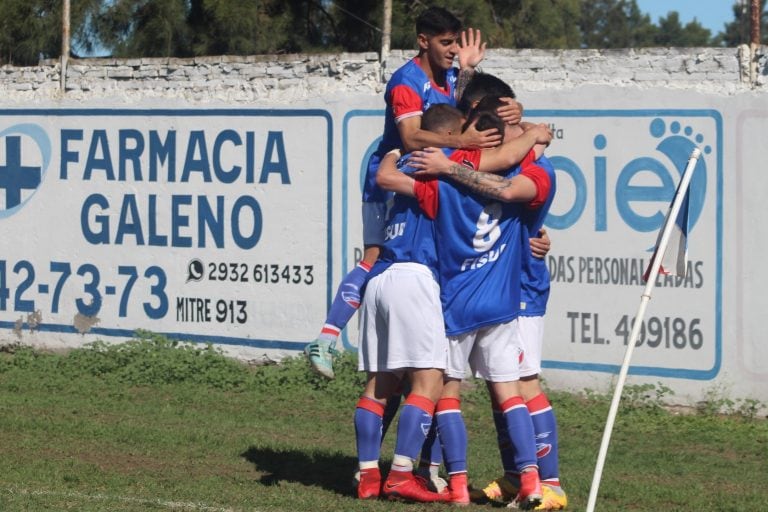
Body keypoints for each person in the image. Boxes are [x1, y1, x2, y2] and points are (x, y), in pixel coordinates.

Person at [304, 6, 522, 379]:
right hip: (390, 175)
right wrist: (461, 139)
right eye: (446, 43)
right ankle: (326, 337)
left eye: (455, 42)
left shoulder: (451, 74)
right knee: (377, 257)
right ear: (423, 41)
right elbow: (409, 137)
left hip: (430, 174)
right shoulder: (406, 81)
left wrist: (476, 77)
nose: (453, 50)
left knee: (428, 258)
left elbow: (466, 107)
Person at [378, 102, 553, 508]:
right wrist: (533, 129)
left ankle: (456, 486)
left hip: (455, 305)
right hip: (502, 305)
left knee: (448, 395)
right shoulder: (521, 177)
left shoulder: (442, 183)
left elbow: (390, 178)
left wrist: (396, 149)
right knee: (510, 394)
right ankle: (531, 480)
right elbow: (532, 148)